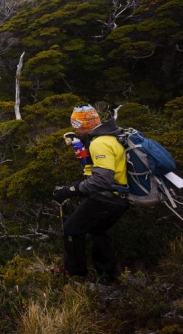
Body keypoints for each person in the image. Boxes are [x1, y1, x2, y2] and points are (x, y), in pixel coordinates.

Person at [53, 105, 130, 279]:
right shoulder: (110, 136)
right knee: (97, 231)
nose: (74, 129)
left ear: (84, 124)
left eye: (76, 124)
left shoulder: (100, 143)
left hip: (106, 198)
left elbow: (102, 180)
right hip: (120, 197)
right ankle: (107, 274)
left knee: (71, 229)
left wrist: (70, 190)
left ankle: (76, 273)